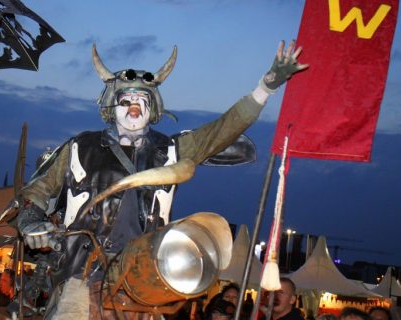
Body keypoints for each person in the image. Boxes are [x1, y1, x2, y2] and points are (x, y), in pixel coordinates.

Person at [17, 41, 307, 319]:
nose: (134, 107)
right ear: (111, 106)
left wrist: (266, 86)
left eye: (142, 100)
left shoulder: (169, 150)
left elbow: (220, 132)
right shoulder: (81, 146)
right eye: (126, 100)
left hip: (145, 272)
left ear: (152, 107)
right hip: (81, 270)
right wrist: (31, 220)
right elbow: (36, 191)